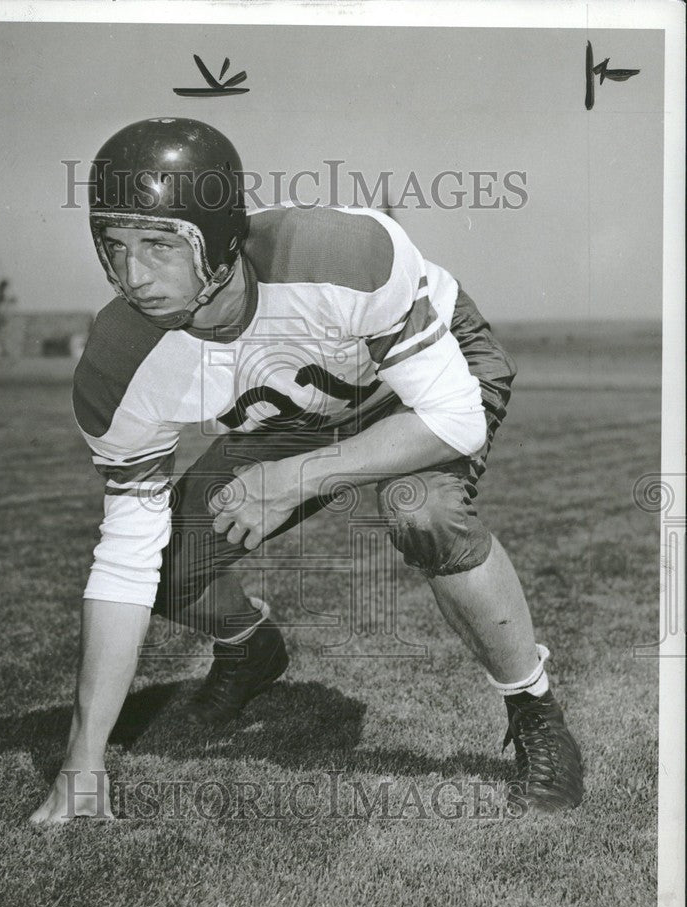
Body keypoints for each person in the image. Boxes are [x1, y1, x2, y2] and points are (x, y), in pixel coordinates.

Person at [30, 117, 583, 825]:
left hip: (416, 384)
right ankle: (249, 648)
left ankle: (534, 709)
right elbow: (123, 563)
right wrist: (83, 762)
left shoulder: (343, 252)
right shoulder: (118, 364)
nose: (135, 276)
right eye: (116, 247)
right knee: (170, 568)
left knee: (424, 511)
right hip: (304, 409)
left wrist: (298, 477)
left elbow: (454, 419)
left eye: (160, 245)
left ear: (220, 237)